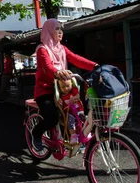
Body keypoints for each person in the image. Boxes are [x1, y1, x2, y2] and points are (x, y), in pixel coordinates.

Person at [31, 19, 98, 152]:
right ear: (49, 31)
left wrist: (95, 66)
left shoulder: (62, 48)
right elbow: (47, 66)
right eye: (57, 29)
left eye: (61, 29)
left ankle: (72, 138)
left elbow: (76, 59)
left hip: (63, 88)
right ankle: (36, 134)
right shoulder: (42, 49)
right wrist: (57, 72)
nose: (60, 32)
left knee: (77, 111)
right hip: (45, 90)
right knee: (52, 118)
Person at [57, 78, 85, 146]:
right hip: (69, 112)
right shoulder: (62, 97)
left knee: (83, 119)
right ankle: (73, 135)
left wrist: (75, 97)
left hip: (79, 111)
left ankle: (84, 134)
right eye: (63, 87)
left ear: (71, 84)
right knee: (70, 120)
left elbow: (78, 95)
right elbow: (62, 107)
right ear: (60, 88)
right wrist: (60, 102)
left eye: (68, 86)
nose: (66, 88)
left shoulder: (73, 91)